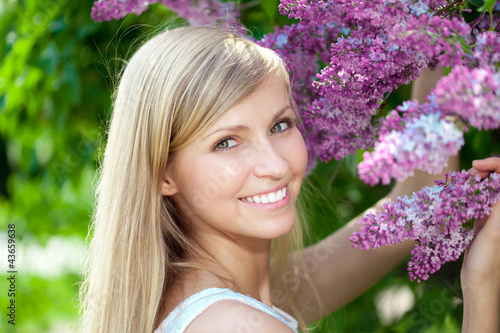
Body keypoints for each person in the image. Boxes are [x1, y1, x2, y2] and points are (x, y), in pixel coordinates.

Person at [79, 25, 500, 332]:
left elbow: (421, 201)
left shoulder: (248, 294)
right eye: (227, 142)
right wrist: (482, 287)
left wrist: (439, 30)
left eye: (280, 125)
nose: (276, 166)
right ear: (163, 173)